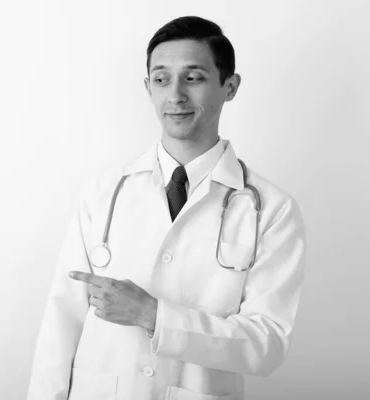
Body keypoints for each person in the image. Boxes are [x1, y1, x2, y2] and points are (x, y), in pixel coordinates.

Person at [27, 16, 306, 400]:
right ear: (148, 88)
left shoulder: (272, 210)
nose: (175, 95)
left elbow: (267, 345)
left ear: (230, 86)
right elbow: (61, 322)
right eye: (161, 79)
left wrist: (153, 316)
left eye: (193, 78)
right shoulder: (104, 191)